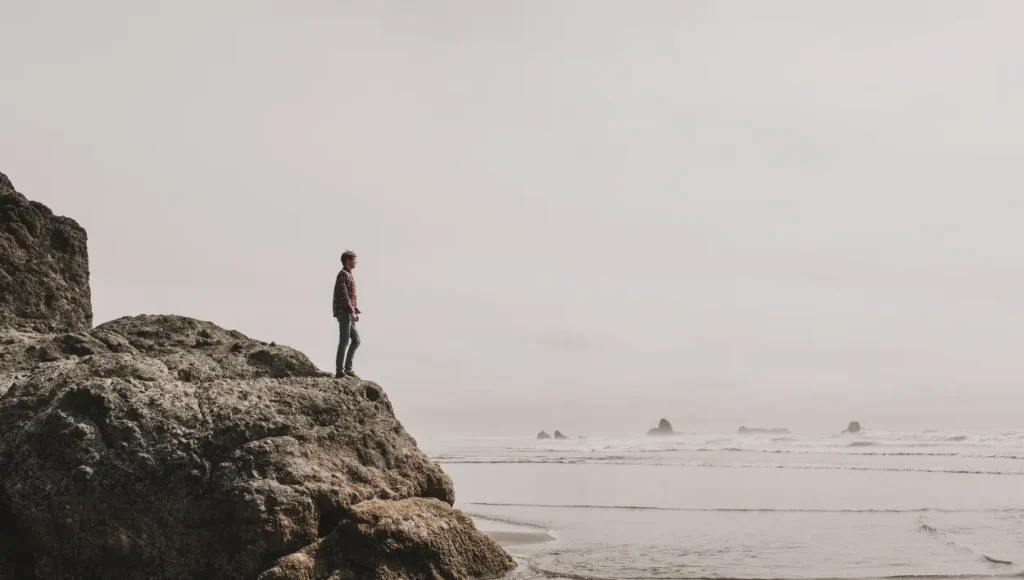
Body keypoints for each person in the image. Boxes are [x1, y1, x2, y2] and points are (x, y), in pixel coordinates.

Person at [333, 250, 361, 379]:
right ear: (348, 260)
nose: (356, 262)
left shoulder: (349, 275)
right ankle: (340, 371)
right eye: (354, 259)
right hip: (344, 312)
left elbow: (349, 296)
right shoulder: (343, 274)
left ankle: (348, 369)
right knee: (344, 340)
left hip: (349, 312)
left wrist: (355, 311)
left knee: (356, 340)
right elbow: (344, 296)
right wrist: (351, 311)